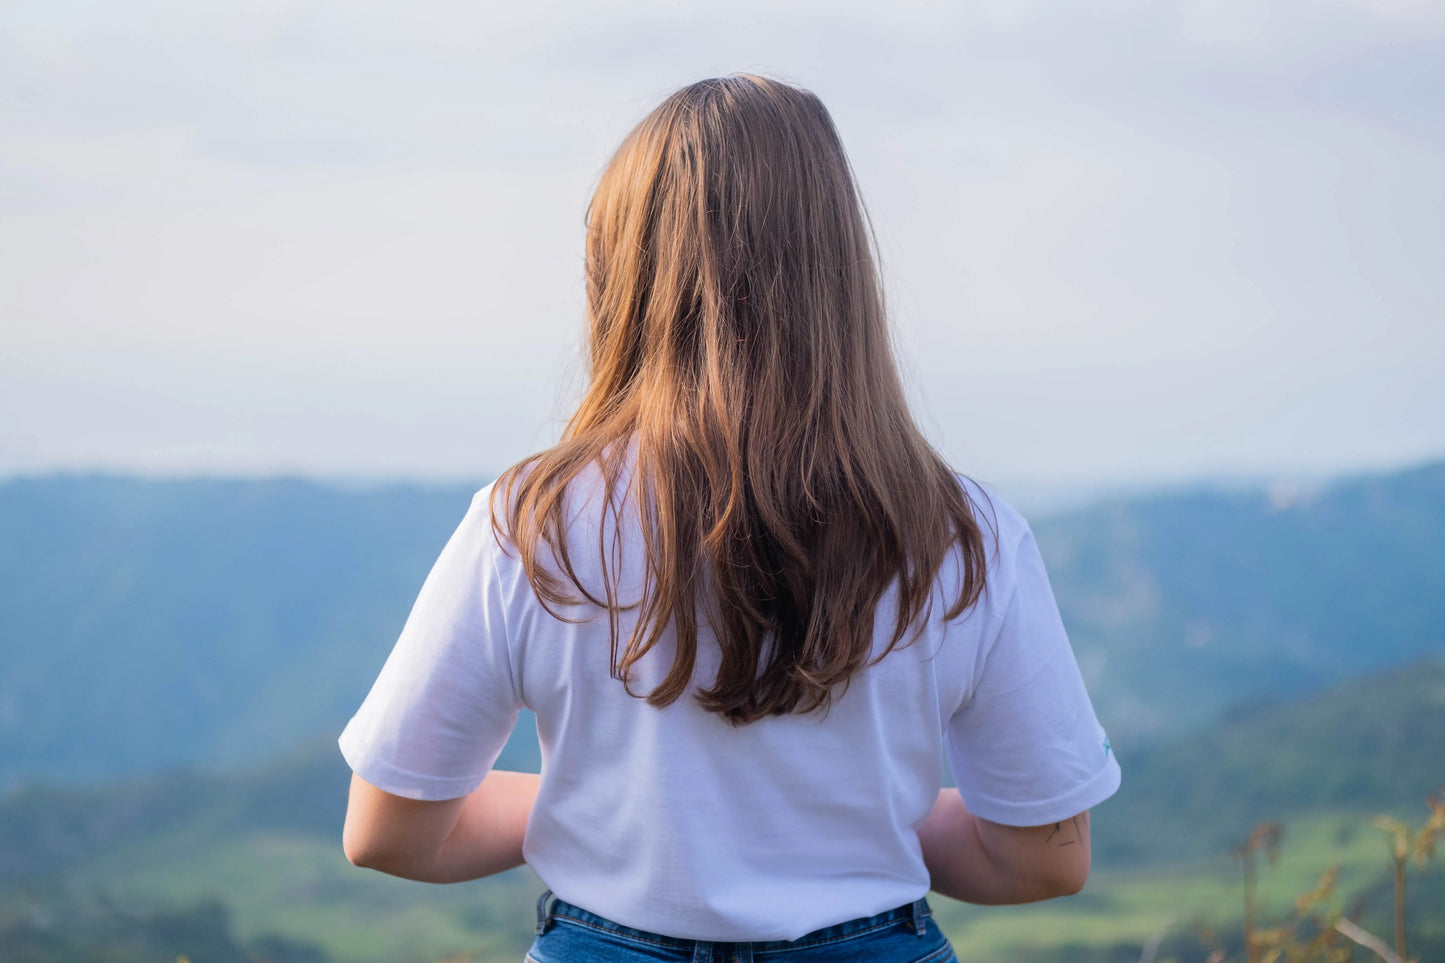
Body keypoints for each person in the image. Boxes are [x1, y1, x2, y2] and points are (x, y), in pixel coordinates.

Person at [338, 73, 1121, 962]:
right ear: (840, 270)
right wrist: (861, 824)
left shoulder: (530, 523)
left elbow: (389, 832)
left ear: (623, 273)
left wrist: (598, 808)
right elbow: (1041, 860)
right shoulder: (963, 534)